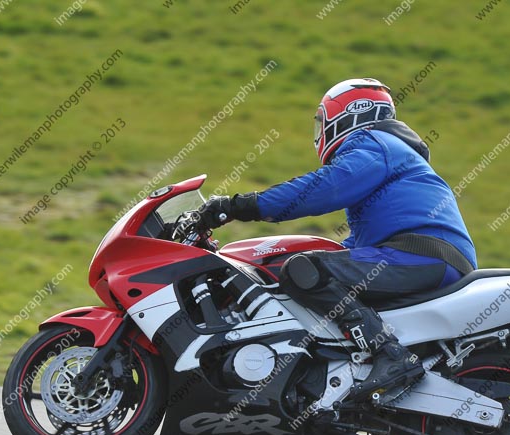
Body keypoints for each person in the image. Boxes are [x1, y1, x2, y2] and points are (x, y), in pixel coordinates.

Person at [196, 78, 477, 402]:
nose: (320, 132)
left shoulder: (376, 143)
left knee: (304, 271)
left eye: (322, 122)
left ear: (346, 116)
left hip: (421, 256)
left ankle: (390, 355)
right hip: (421, 256)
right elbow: (356, 247)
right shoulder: (393, 155)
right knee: (314, 267)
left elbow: (323, 188)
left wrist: (240, 206)